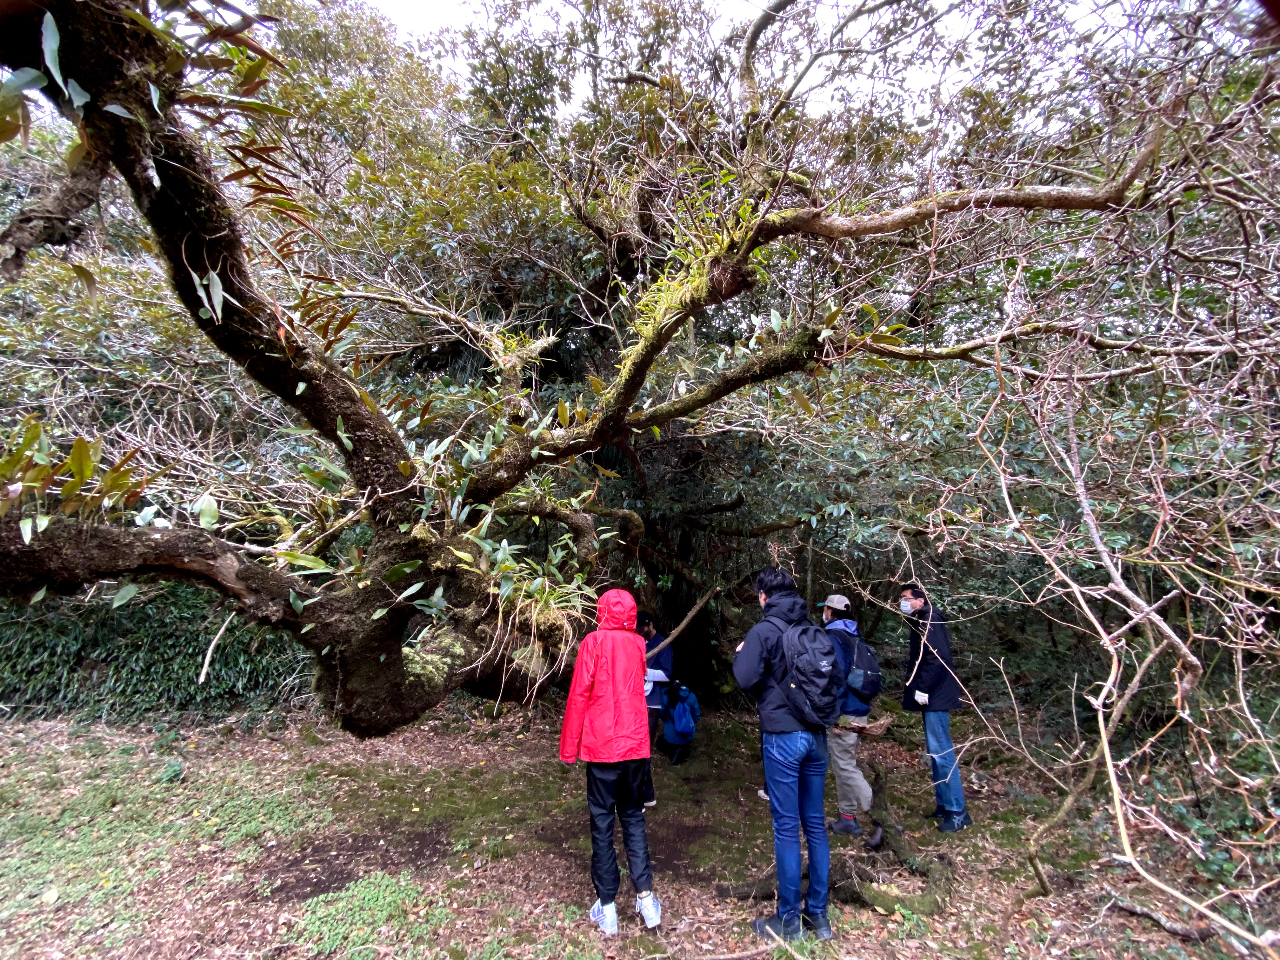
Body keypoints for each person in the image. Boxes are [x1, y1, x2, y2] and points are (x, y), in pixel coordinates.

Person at [733, 567, 834, 942]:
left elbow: (744, 678)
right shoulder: (812, 629)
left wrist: (741, 654)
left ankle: (789, 920)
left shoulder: (763, 631)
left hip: (783, 737)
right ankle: (818, 916)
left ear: (763, 596)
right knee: (815, 825)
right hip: (817, 736)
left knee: (787, 827)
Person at [560, 588, 663, 936]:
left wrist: (568, 748)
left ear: (601, 611)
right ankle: (646, 899)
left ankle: (607, 907)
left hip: (603, 747)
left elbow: (579, 694)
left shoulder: (593, 642)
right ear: (631, 614)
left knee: (603, 822)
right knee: (633, 817)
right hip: (634, 745)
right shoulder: (638, 644)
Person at [899, 583, 972, 833]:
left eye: (906, 598)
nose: (903, 603)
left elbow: (936, 658)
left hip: (936, 697)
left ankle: (957, 812)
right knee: (935, 753)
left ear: (920, 600)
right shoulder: (922, 620)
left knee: (942, 753)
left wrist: (924, 688)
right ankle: (944, 804)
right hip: (933, 697)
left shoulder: (930, 619)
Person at [819, 594, 874, 837]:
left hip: (845, 713)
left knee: (845, 766)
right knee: (844, 764)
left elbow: (837, 678)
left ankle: (880, 816)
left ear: (830, 611)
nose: (823, 613)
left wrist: (835, 714)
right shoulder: (854, 635)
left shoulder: (834, 637)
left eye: (825, 609)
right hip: (858, 708)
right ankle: (847, 818)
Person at [637, 611, 671, 744]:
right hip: (636, 697)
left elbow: (667, 675)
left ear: (650, 625)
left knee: (646, 740)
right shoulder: (640, 641)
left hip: (651, 701)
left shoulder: (663, 645)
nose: (640, 633)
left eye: (642, 630)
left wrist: (644, 672)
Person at [656, 680, 700, 765]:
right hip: (687, 737)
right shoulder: (691, 696)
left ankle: (673, 753)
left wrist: (667, 720)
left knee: (660, 743)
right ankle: (683, 751)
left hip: (670, 738)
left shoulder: (666, 693)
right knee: (685, 744)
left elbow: (661, 712)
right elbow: (696, 716)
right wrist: (687, 724)